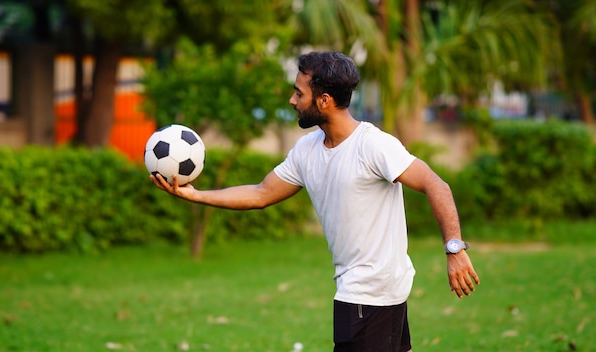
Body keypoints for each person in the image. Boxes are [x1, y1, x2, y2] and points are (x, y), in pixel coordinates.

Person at [151, 51, 480, 352]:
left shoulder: (374, 146)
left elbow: (436, 185)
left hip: (365, 296)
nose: (292, 100)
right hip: (383, 293)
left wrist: (455, 248)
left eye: (299, 93)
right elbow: (261, 193)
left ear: (323, 101)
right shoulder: (307, 150)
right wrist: (194, 195)